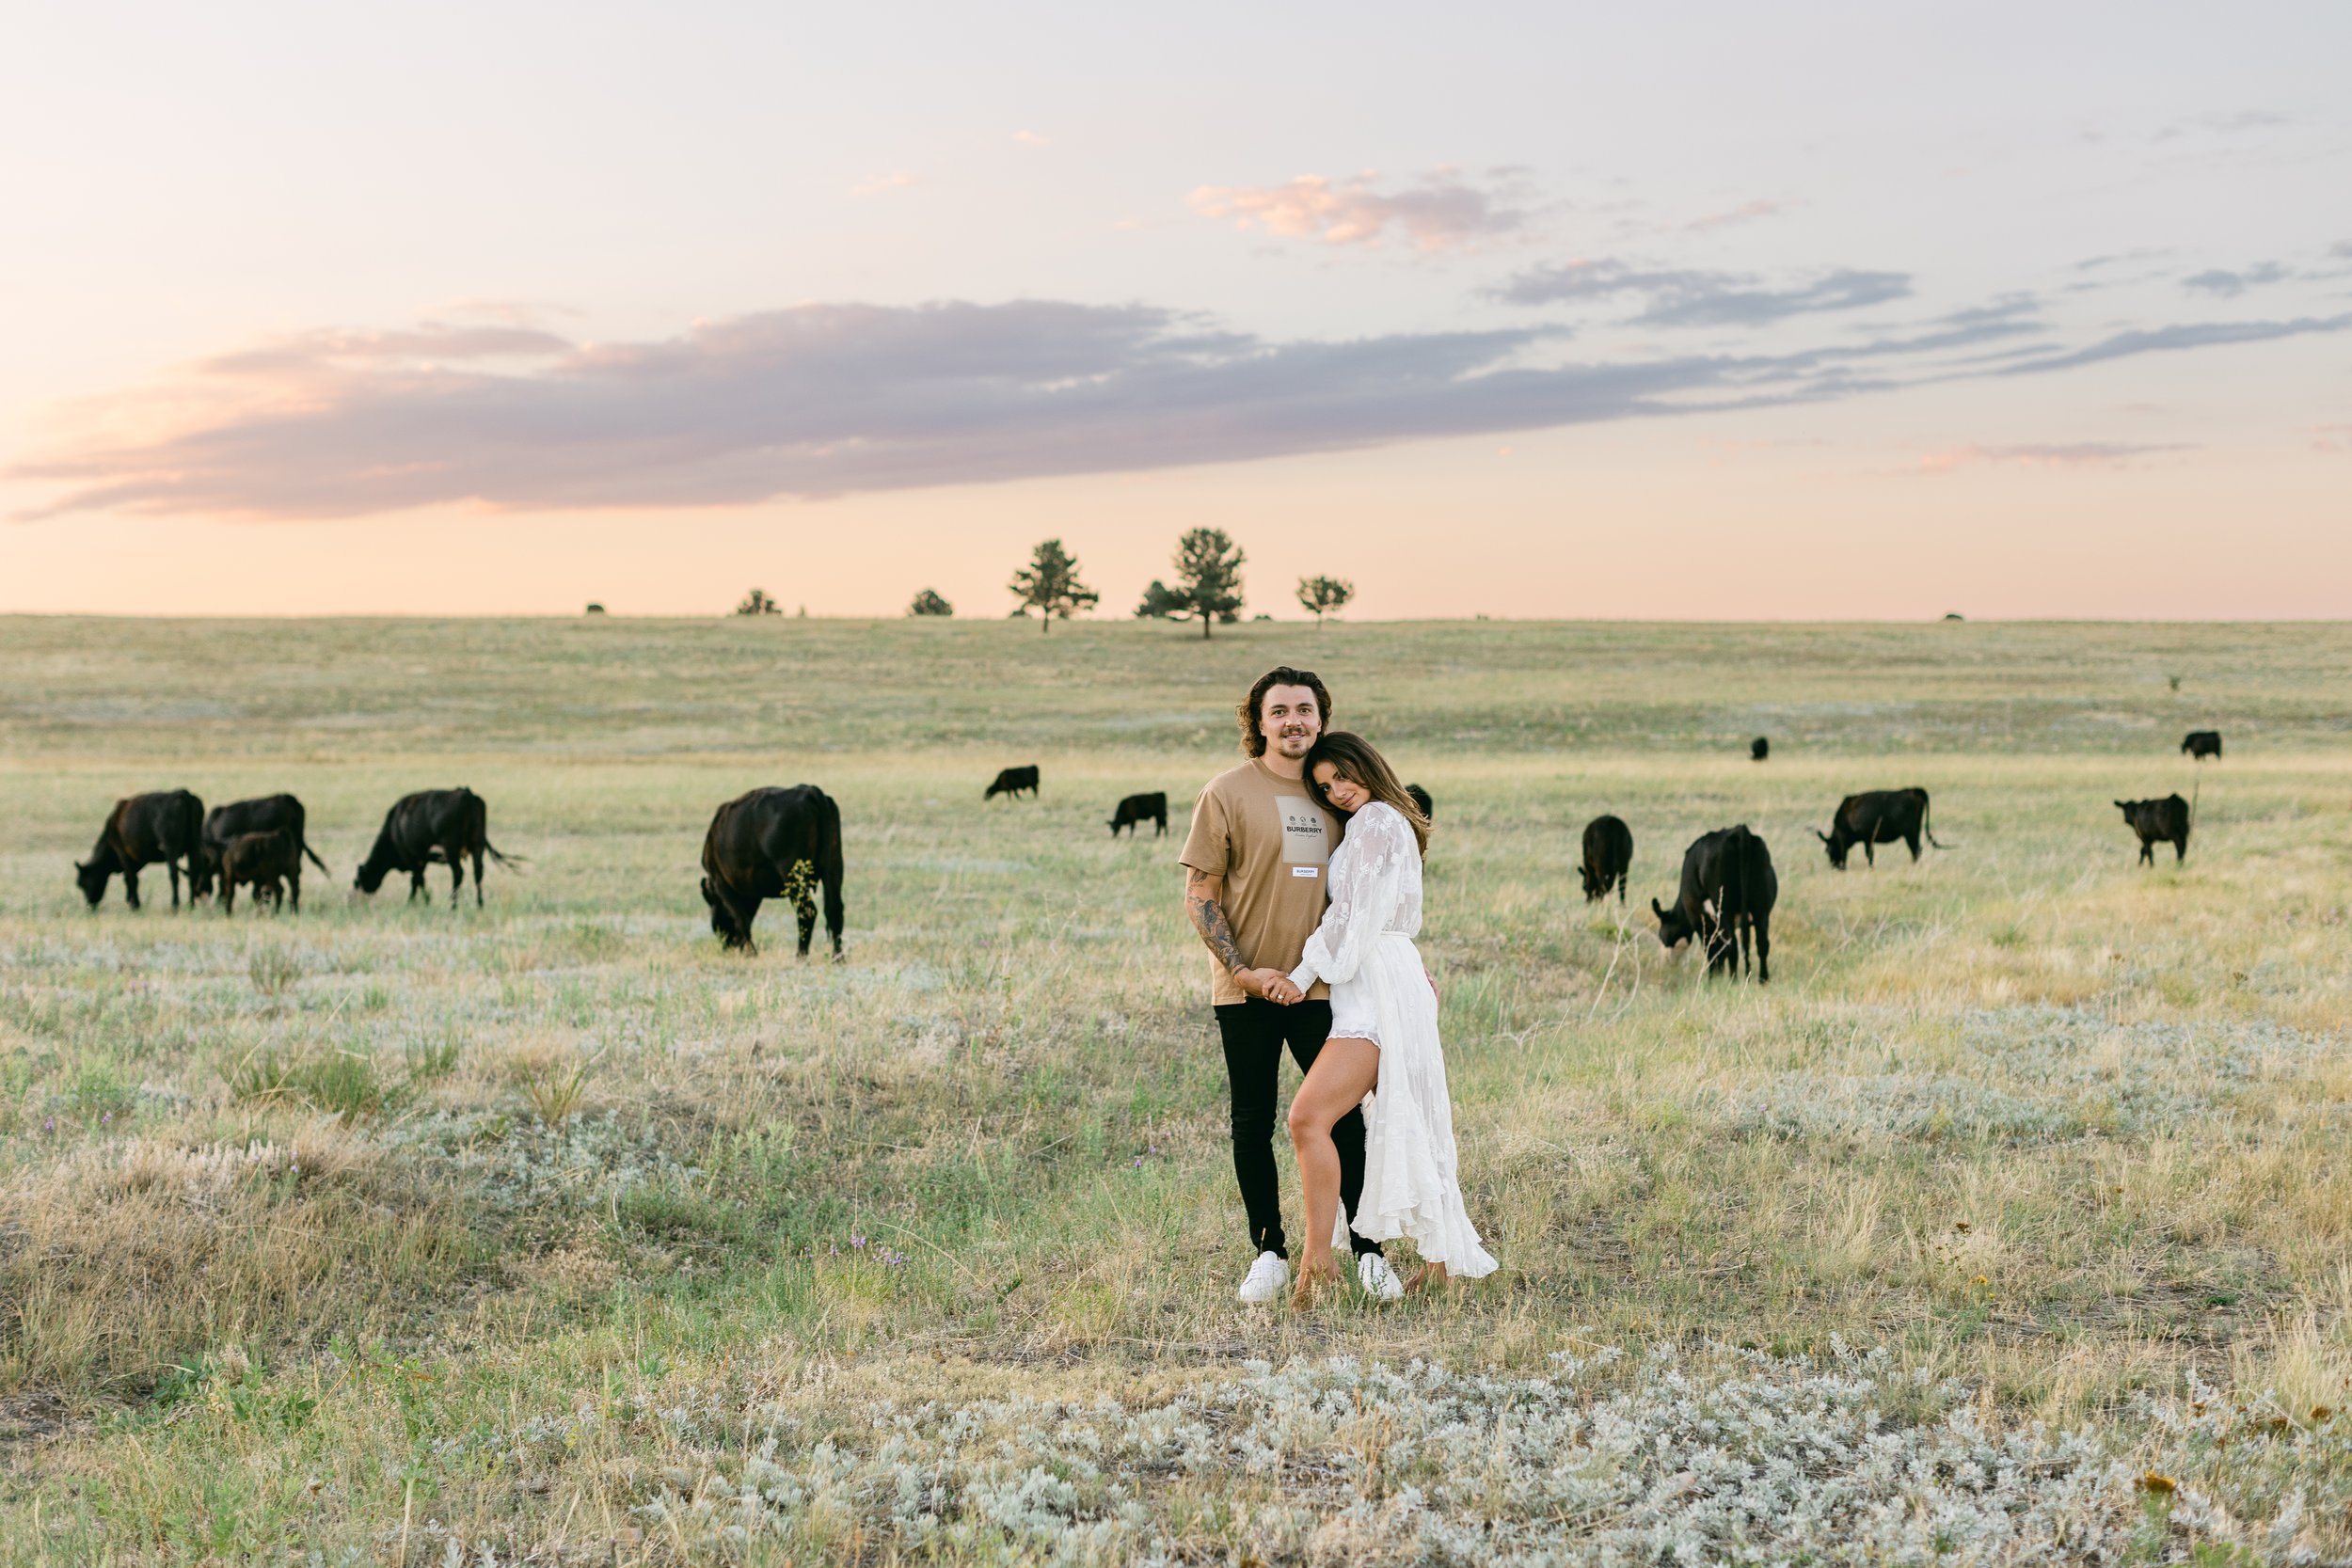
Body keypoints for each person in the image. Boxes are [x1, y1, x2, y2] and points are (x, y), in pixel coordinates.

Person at [1180, 667, 1403, 1304]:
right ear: (1258, 721)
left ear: (1322, 718)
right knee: (1251, 1121)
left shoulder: (1336, 793)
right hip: (1246, 988)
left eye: (1305, 709)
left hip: (1325, 990)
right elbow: (1200, 892)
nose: (1293, 721)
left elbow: (1370, 894)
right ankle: (1270, 1251)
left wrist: (1407, 964)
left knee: (1343, 1121)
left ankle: (1367, 1251)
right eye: (1279, 711)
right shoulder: (1225, 792)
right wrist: (1245, 969)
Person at [1283, 730, 1496, 1307]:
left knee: (1308, 1118)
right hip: (1385, 977)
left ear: (1366, 767)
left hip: (1378, 983)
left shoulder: (1376, 822)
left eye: (1342, 777)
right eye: (1325, 787)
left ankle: (1317, 1260)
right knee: (1408, 1113)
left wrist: (1299, 977)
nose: (1337, 791)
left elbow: (1354, 920)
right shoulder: (1380, 823)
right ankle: (1436, 1262)